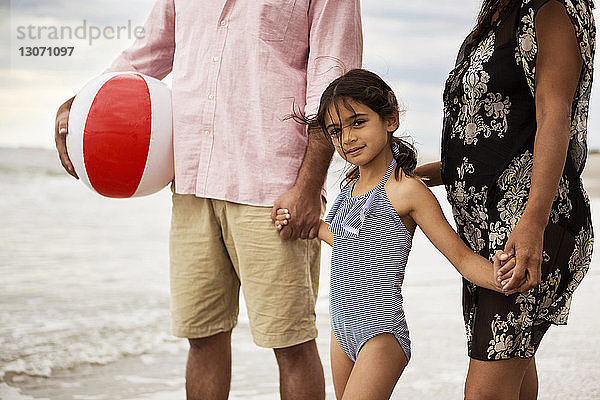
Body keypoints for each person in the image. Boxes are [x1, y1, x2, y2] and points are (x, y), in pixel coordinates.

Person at [53, 1, 362, 399]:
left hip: (272, 189)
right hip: (192, 183)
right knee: (201, 335)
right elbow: (149, 53)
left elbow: (331, 85)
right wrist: (81, 102)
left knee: (291, 341)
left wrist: (307, 187)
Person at [274, 69, 518, 400]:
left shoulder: (407, 191)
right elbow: (349, 243)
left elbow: (461, 258)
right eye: (336, 131)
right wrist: (308, 226)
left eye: (358, 122)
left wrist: (503, 275)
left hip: (381, 334)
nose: (347, 138)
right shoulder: (349, 186)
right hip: (341, 330)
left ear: (390, 119)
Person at [415, 0, 595, 398]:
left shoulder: (550, 9)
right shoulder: (498, 14)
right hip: (488, 236)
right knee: (514, 374)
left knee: (484, 392)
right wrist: (416, 177)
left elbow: (554, 116)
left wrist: (532, 225)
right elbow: (489, 141)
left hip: (525, 229)